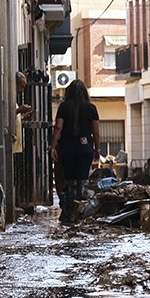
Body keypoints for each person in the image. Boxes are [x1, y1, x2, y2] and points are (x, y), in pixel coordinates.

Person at [50, 79, 100, 225]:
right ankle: (81, 213)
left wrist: (53, 146)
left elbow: (58, 128)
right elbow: (96, 132)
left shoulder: (64, 107)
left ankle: (69, 212)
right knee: (82, 180)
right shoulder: (91, 108)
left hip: (67, 148)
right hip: (85, 149)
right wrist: (97, 149)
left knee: (70, 181)